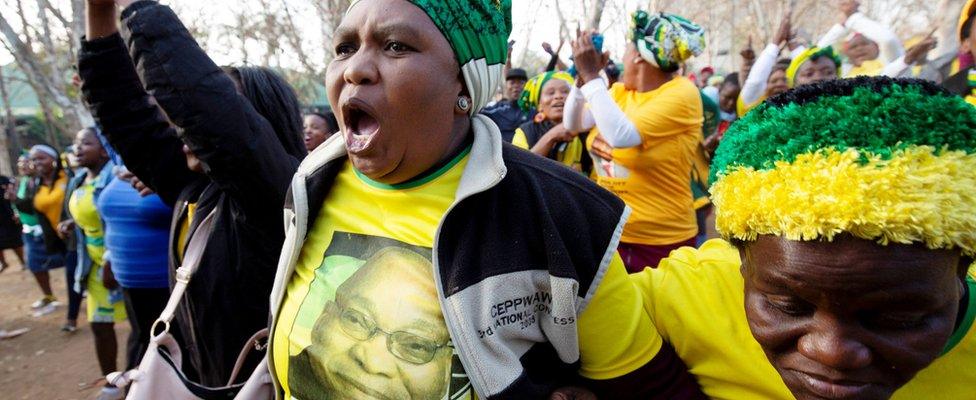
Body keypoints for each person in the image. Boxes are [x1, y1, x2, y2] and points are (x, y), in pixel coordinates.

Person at [269, 1, 704, 399]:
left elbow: (654, 387)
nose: (354, 69)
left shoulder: (555, 214)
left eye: (396, 46)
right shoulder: (312, 181)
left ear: (465, 83)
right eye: (344, 47)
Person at [631, 76, 976, 399]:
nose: (833, 352)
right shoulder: (687, 293)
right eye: (787, 306)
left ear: (962, 273)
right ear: (743, 265)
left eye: (897, 318)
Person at [80, 0, 306, 385]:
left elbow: (208, 111)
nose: (183, 129)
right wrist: (100, 10)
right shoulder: (197, 188)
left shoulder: (274, 194)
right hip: (201, 381)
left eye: (192, 122)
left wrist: (137, 8)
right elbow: (124, 111)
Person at [564, 11, 706, 273]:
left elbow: (622, 136)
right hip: (611, 232)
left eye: (627, 49)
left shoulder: (682, 93)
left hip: (662, 240)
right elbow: (573, 124)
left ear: (639, 55)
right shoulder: (618, 92)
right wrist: (581, 78)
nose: (621, 58)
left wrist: (592, 76)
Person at [59, 127, 126, 400]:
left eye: (85, 143)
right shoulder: (78, 180)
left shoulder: (115, 176)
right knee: (100, 326)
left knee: (141, 328)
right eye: (75, 143)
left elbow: (118, 218)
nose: (77, 149)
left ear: (104, 148)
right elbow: (87, 215)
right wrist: (71, 224)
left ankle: (146, 379)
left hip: (121, 263)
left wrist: (112, 260)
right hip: (94, 266)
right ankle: (112, 383)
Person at [22, 145, 75, 323]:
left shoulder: (69, 178)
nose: (37, 163)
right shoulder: (35, 184)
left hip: (77, 236)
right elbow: (34, 208)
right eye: (34, 159)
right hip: (58, 238)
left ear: (53, 159)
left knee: (71, 272)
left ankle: (71, 318)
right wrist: (16, 201)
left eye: (41, 158)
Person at [512, 71, 590, 173]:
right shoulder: (524, 132)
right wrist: (552, 136)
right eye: (550, 93)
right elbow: (519, 171)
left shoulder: (587, 129)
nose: (558, 96)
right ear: (539, 105)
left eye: (565, 91)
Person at [481, 68, 530, 143]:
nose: (516, 86)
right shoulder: (496, 109)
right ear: (506, 86)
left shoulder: (534, 110)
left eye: (521, 82)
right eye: (512, 82)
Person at [0, 175, 24, 273]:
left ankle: (23, 261)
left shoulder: (4, 180)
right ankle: (3, 263)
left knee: (15, 241)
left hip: (9, 216)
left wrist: (16, 211)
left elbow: (14, 195)